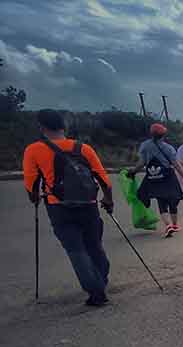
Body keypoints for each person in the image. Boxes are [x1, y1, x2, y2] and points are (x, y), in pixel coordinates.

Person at [22, 109, 114, 306]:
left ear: (42, 127)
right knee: (94, 245)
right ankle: (101, 278)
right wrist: (108, 200)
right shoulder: (84, 148)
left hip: (59, 207)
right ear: (64, 126)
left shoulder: (34, 150)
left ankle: (96, 290)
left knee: (75, 249)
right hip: (88, 205)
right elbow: (104, 180)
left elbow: (31, 184)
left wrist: (35, 198)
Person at [128, 123, 183, 238]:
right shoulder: (168, 148)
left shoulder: (145, 146)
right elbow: (176, 164)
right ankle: (174, 225)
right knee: (173, 200)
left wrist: (133, 171)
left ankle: (168, 225)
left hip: (153, 178)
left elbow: (142, 163)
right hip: (168, 177)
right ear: (163, 135)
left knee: (161, 201)